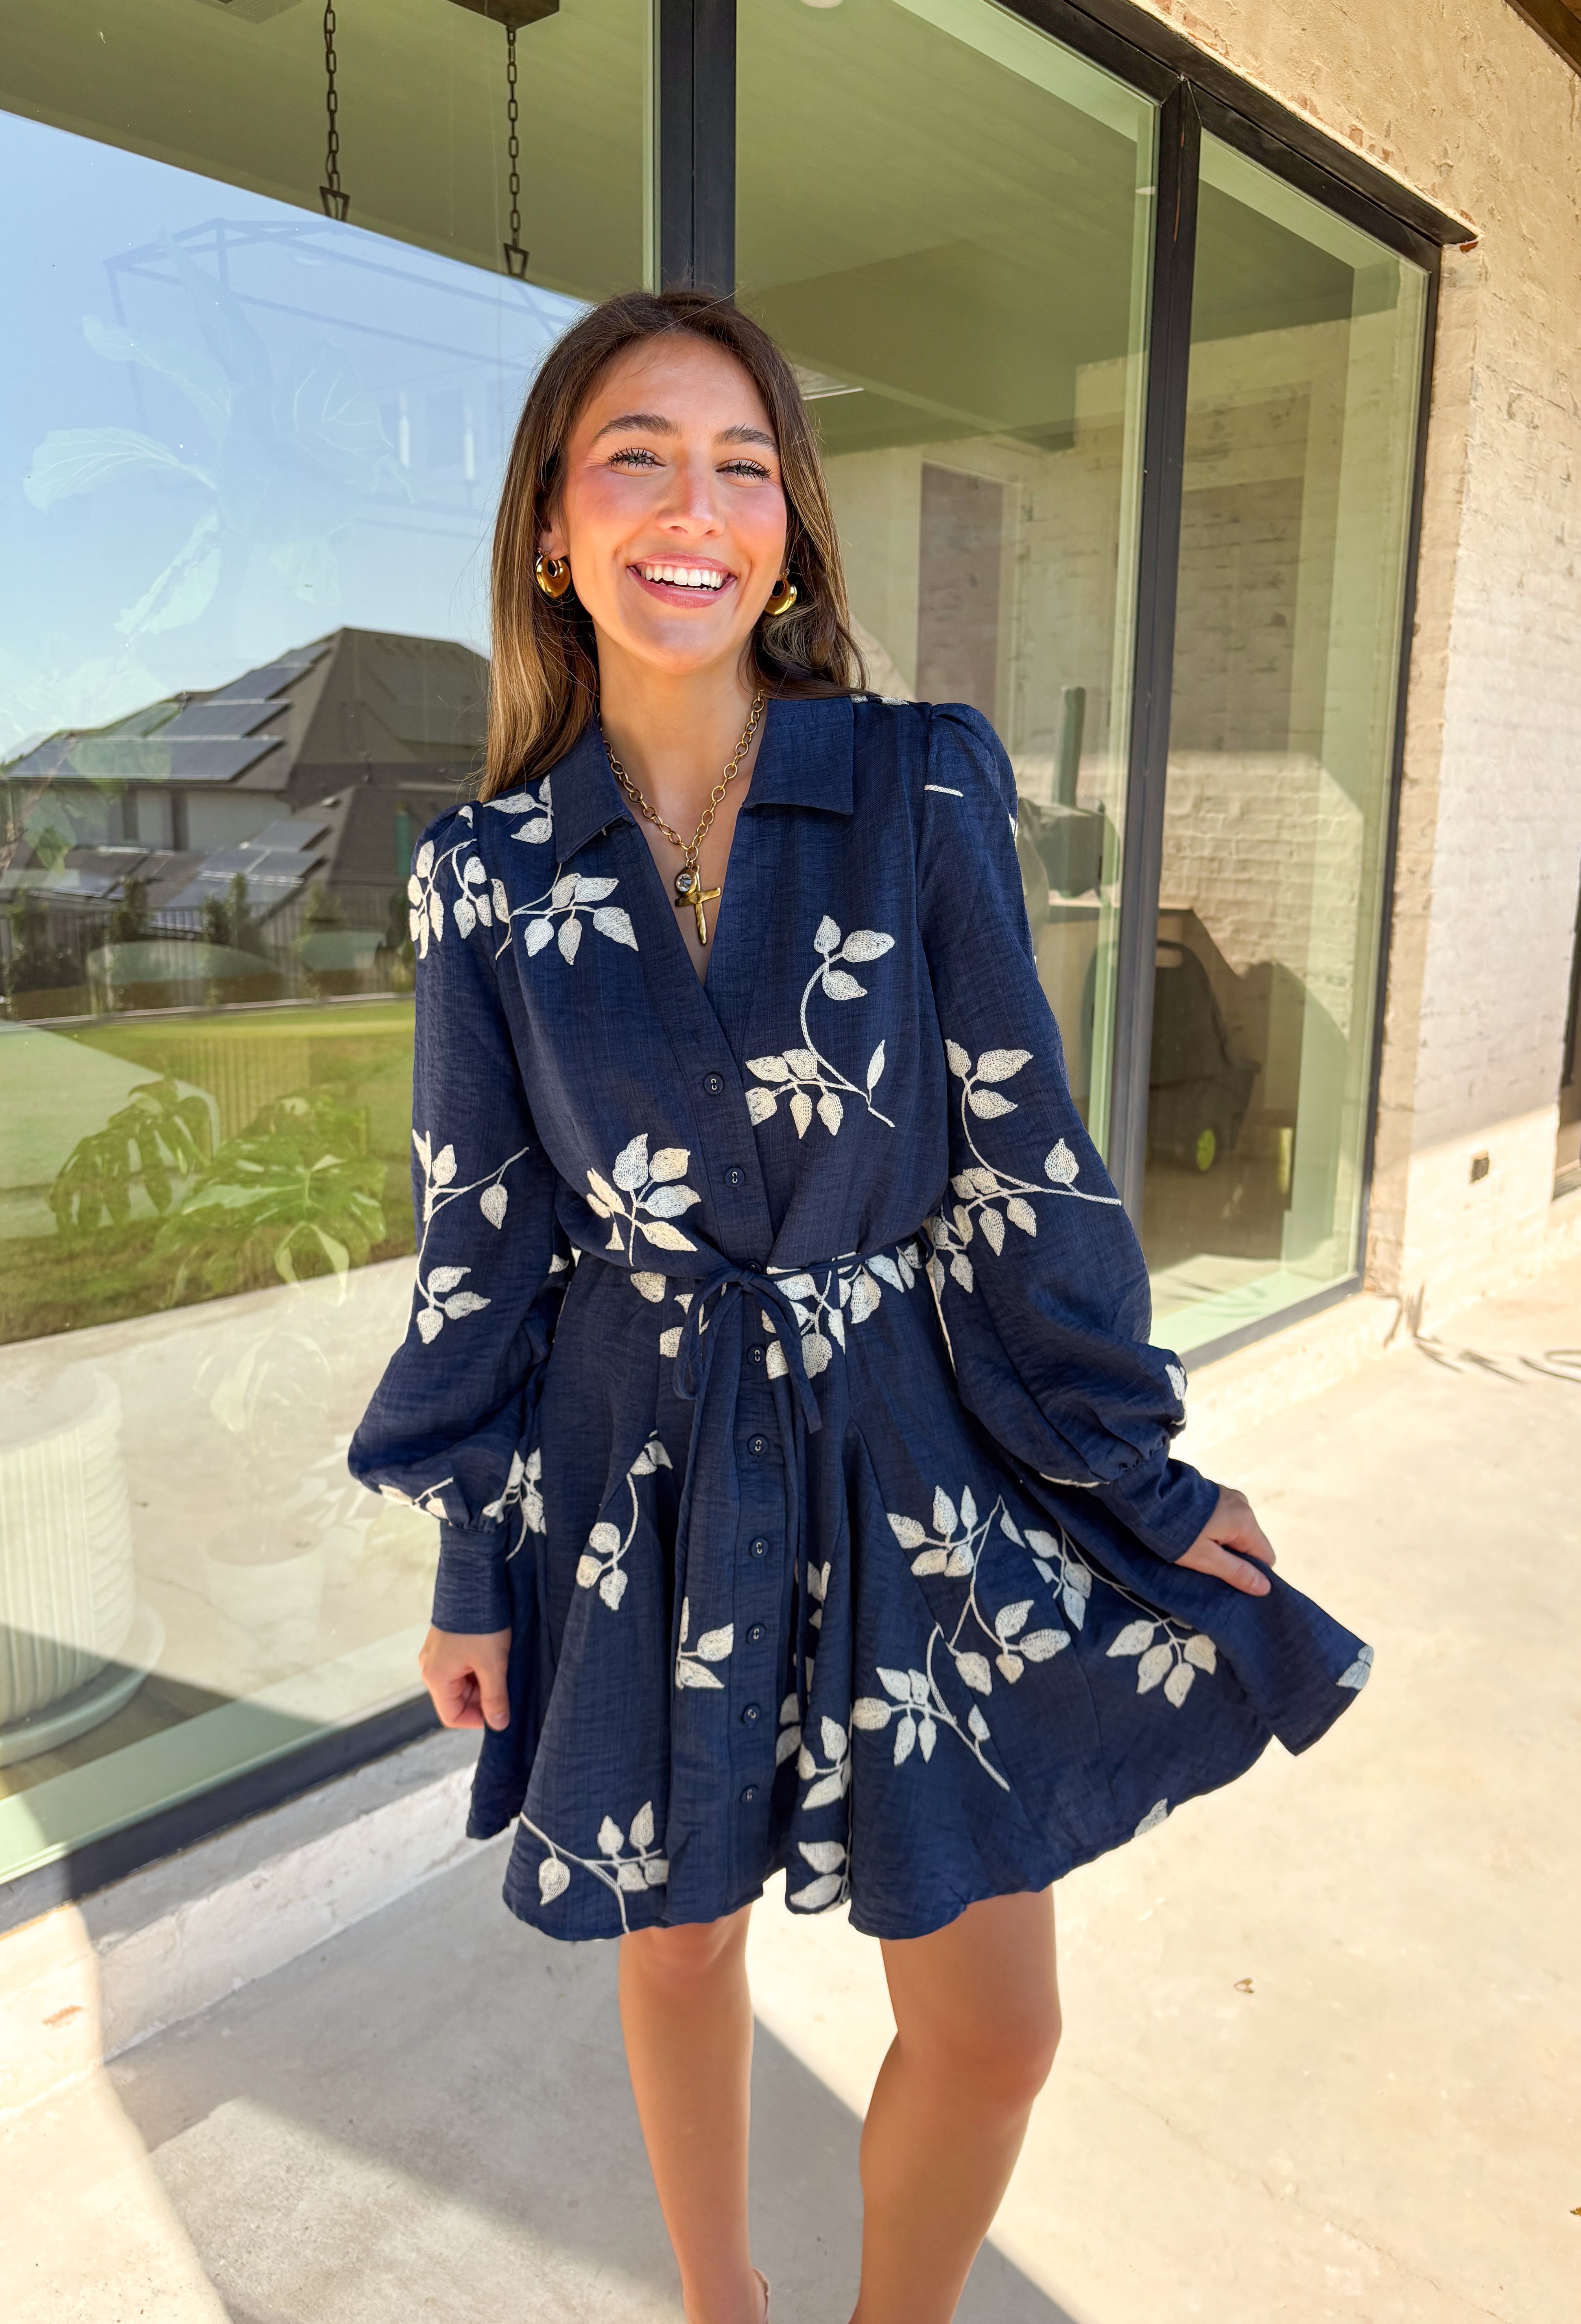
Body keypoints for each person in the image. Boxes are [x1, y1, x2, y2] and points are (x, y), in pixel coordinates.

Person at [349, 288, 1369, 2324]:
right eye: (636, 455)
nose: (693, 507)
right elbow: (486, 1242)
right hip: (629, 1455)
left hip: (906, 1430)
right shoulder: (483, 872)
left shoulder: (916, 783)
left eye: (745, 466)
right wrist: (477, 1559)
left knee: (992, 2021)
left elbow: (1021, 1143)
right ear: (555, 526)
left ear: (794, 534)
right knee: (683, 1932)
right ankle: (722, 2302)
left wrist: (1137, 1473)